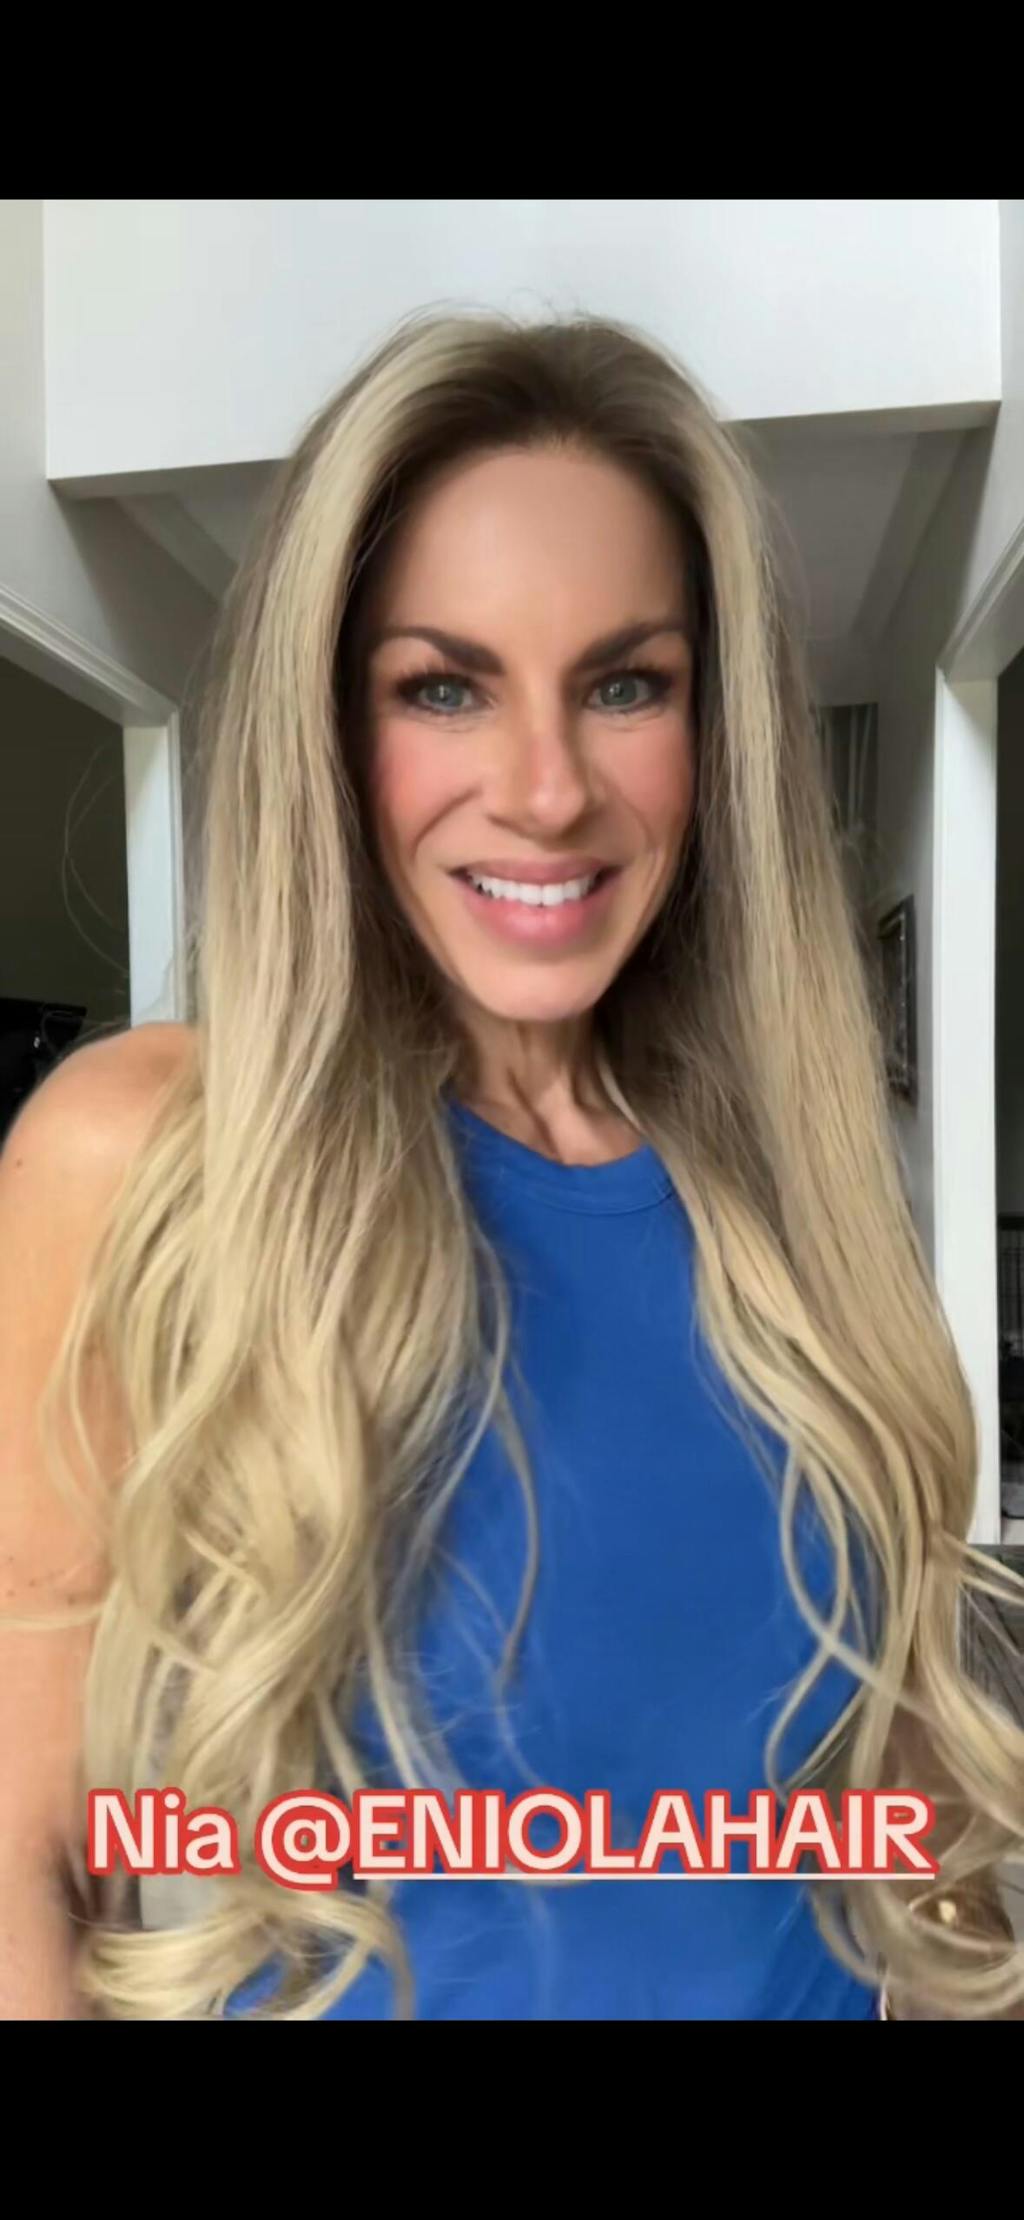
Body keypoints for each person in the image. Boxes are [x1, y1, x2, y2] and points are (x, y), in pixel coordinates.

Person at [2, 308, 1023, 2022]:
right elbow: (21, 1850)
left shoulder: (789, 1194)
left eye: (626, 684)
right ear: (333, 730)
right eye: (444, 685)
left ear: (714, 733)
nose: (547, 792)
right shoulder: (150, 1151)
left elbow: (894, 1796)